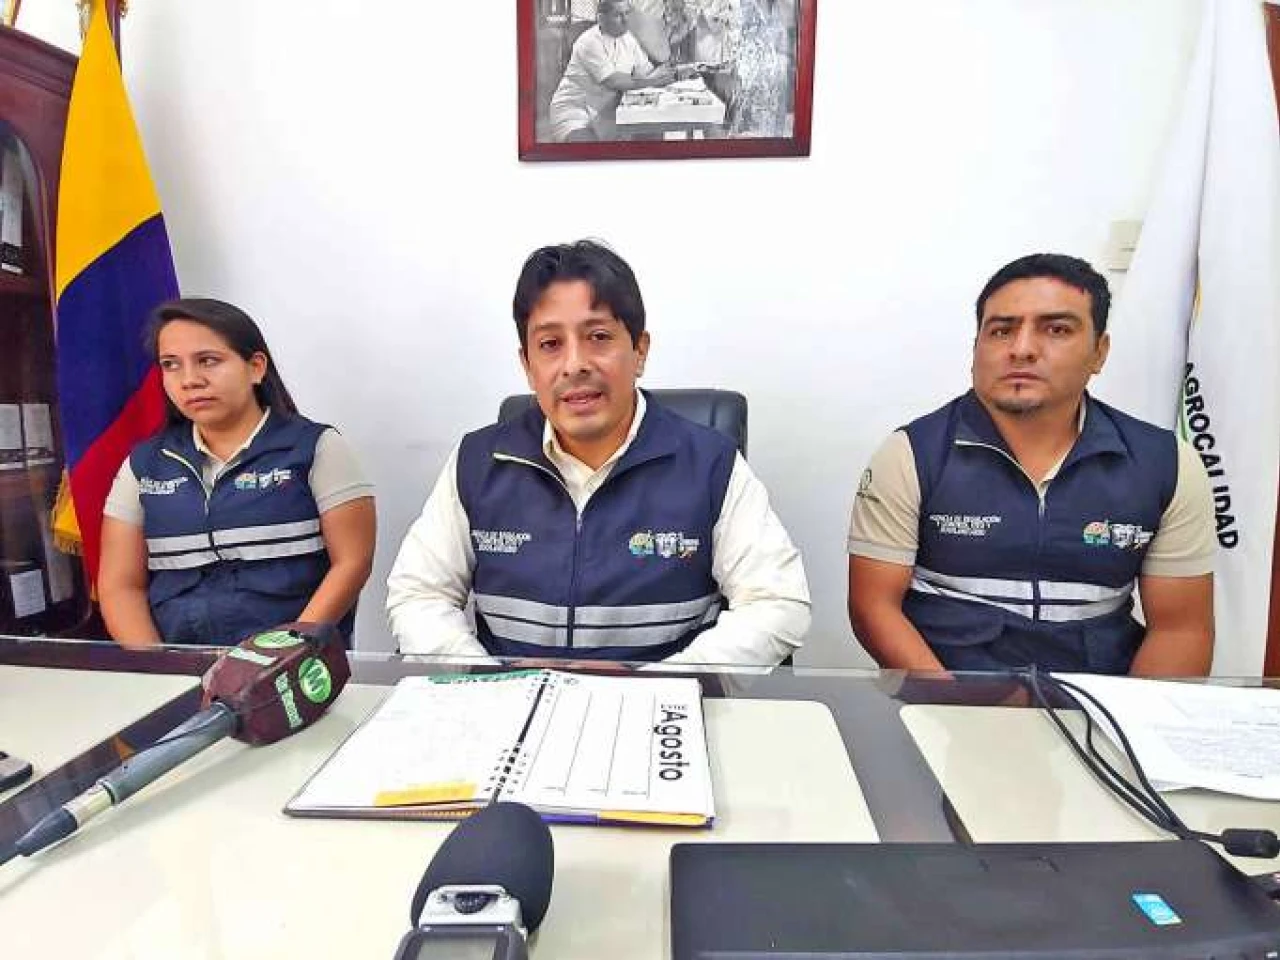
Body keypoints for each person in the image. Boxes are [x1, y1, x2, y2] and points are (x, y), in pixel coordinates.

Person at [387, 239, 809, 665]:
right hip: (511, 701)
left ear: (639, 351)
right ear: (528, 365)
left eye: (599, 337)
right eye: (550, 344)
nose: (575, 365)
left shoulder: (711, 464)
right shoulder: (478, 463)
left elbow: (777, 604)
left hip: (664, 701)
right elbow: (419, 593)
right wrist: (480, 680)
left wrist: (664, 684)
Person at [847, 254, 1215, 676]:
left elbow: (1181, 630)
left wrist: (1125, 716)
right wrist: (951, 701)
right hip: (947, 699)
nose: (1021, 349)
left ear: (1099, 352)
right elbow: (874, 607)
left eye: (1056, 330)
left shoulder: (1165, 464)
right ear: (975, 349)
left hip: (1098, 699)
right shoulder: (913, 454)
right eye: (1001, 331)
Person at [98, 298, 376, 648]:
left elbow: (352, 563)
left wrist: (282, 654)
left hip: (296, 664)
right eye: (171, 365)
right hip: (179, 664)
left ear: (256, 367)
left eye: (208, 361)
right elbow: (120, 585)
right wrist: (156, 662)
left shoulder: (314, 447)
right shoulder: (145, 464)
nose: (190, 380)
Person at [548, 0, 678, 142]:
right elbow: (615, 82)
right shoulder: (589, 42)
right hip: (575, 111)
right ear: (601, 18)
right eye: (618, 15)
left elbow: (646, 73)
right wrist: (656, 80)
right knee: (588, 150)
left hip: (606, 113)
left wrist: (670, 73)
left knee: (651, 134)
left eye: (627, 13)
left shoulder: (628, 39)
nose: (625, 20)